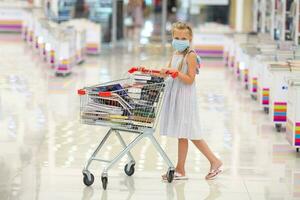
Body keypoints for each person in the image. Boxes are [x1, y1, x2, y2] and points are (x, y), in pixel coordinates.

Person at [160, 22, 223, 180]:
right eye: (176, 37)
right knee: (185, 133)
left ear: (190, 39)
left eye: (183, 38)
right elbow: (168, 73)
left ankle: (211, 162)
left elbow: (190, 79)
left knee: (188, 133)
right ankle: (182, 168)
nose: (179, 40)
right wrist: (160, 72)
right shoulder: (175, 53)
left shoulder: (191, 55)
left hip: (185, 98)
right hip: (176, 96)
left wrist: (175, 73)